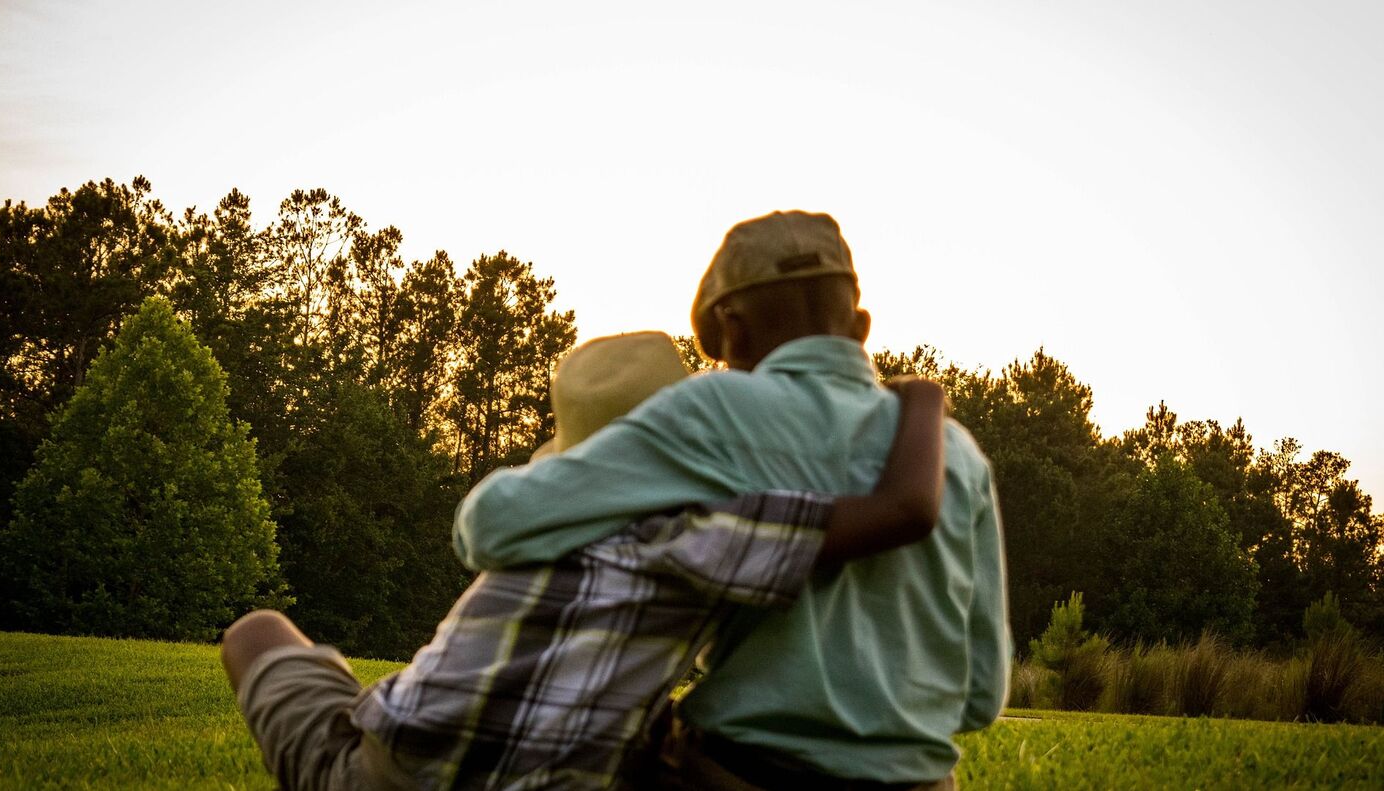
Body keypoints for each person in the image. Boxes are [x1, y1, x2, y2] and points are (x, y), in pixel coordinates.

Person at [220, 329, 948, 790]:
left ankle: (368, 704)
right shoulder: (700, 529)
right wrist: (920, 398)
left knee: (255, 632)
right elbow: (906, 509)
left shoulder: (539, 520)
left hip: (387, 764)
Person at [455, 211, 1011, 788]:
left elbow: (489, 524)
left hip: (733, 773)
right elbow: (980, 698)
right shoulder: (958, 455)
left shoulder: (714, 408)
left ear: (733, 328)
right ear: (860, 327)